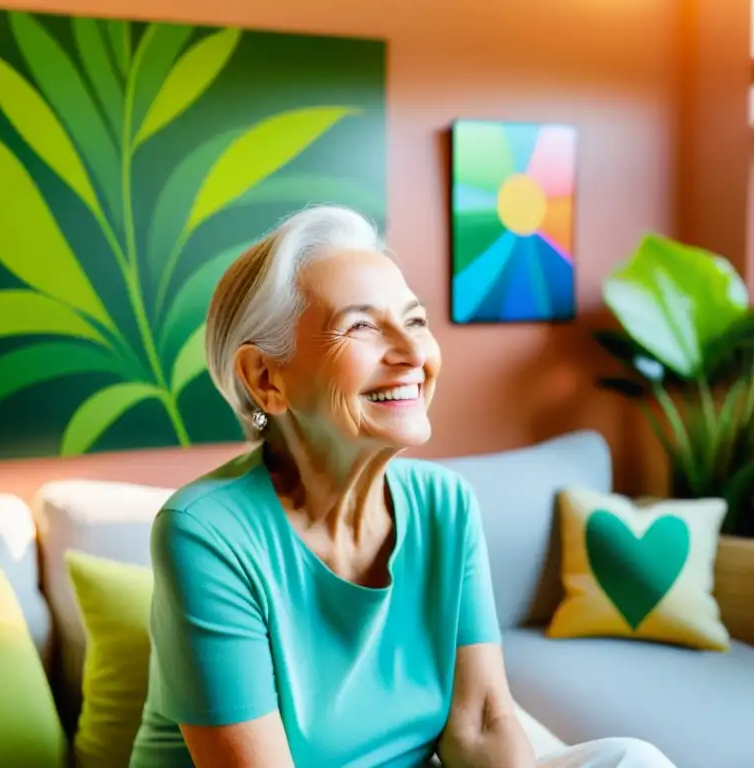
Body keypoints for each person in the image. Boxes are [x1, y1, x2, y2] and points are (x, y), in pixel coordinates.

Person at [128, 206, 677, 768]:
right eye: (363, 326)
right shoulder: (206, 533)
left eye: (414, 321)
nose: (414, 355)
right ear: (267, 380)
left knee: (630, 759)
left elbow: (481, 724)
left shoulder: (446, 504)